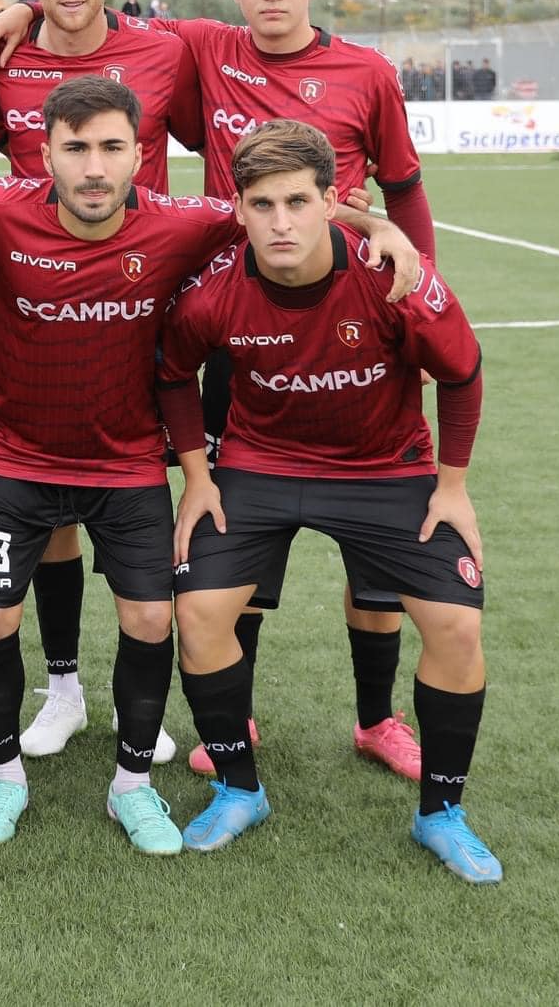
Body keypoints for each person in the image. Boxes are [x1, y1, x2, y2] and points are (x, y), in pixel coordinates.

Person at [0, 0, 437, 780]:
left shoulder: (363, 72)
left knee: (376, 521)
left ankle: (378, 715)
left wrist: (411, 276)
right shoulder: (198, 45)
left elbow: (404, 184)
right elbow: (67, 24)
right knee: (233, 513)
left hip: (345, 309)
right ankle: (197, 703)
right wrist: (8, 15)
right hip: (220, 318)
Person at [154, 119, 497, 883]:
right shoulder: (213, 292)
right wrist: (198, 478)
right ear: (237, 207)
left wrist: (453, 483)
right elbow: (174, 373)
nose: (281, 222)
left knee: (456, 626)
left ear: (333, 202)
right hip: (258, 464)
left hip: (385, 468)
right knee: (201, 611)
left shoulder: (392, 277)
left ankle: (441, 812)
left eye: (299, 202)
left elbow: (464, 371)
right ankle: (241, 790)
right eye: (263, 204)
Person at [0, 0, 199, 760]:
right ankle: (61, 689)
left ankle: (155, 704)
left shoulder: (168, 50)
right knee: (49, 510)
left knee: (141, 501)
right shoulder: (3, 53)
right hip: (39, 302)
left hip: (145, 306)